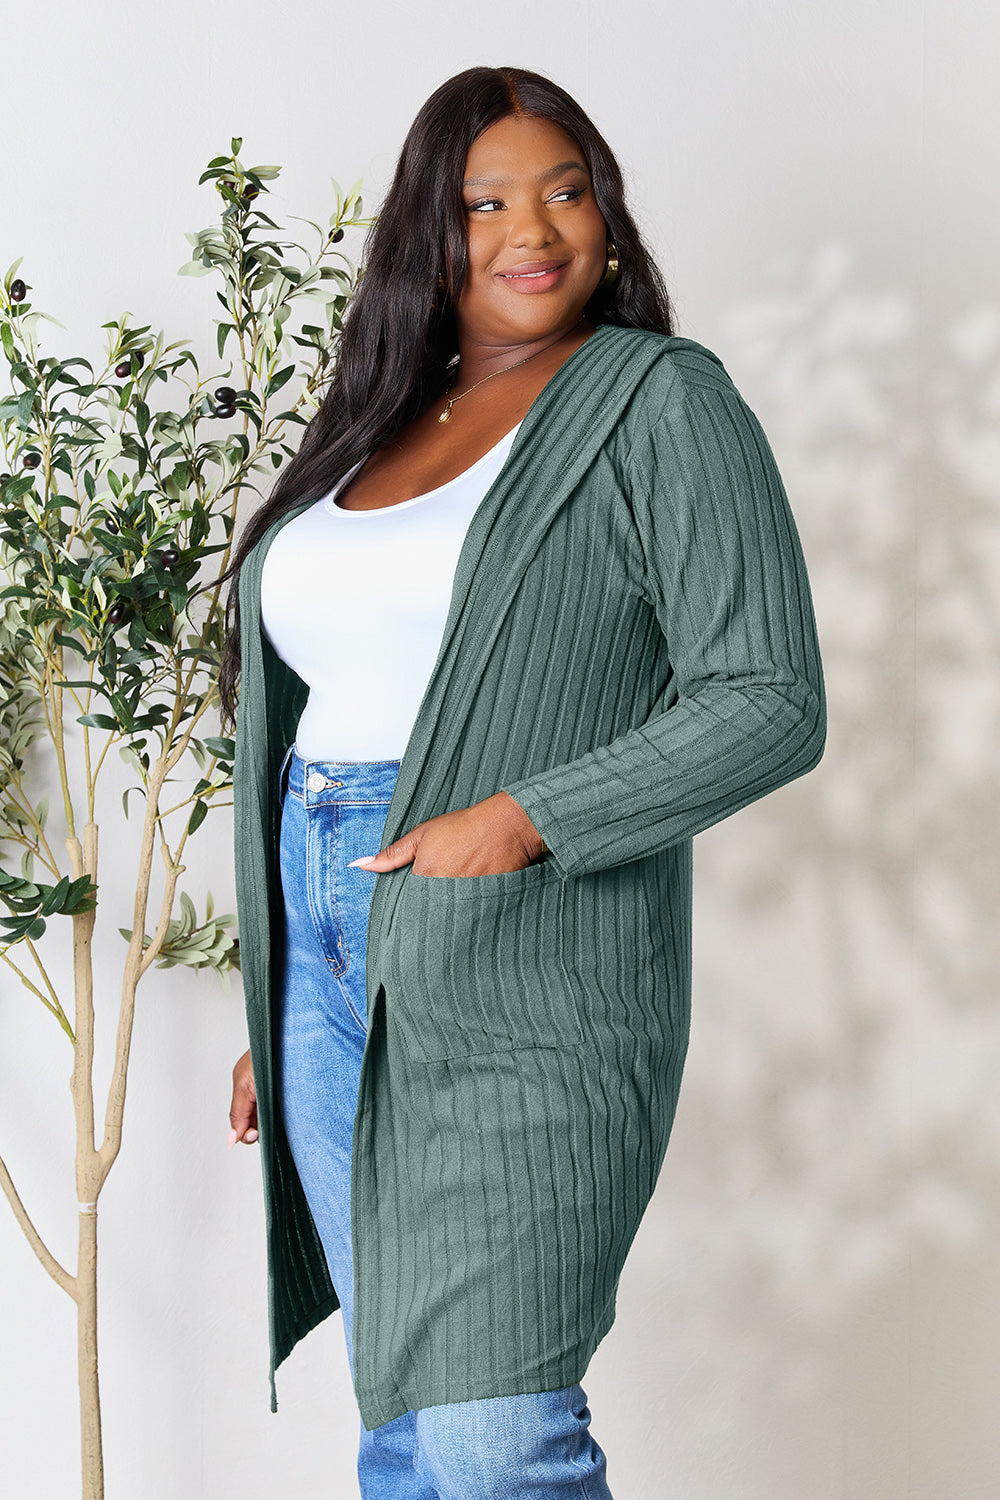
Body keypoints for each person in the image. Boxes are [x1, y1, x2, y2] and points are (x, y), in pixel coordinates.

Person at [216, 64, 826, 1500]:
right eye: (486, 201)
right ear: (430, 231)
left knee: (497, 1434)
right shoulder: (378, 418)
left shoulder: (657, 403)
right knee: (410, 1419)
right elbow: (312, 713)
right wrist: (289, 976)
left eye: (566, 191)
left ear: (607, 218)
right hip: (325, 945)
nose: (530, 229)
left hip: (526, 960)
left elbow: (770, 702)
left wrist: (525, 820)